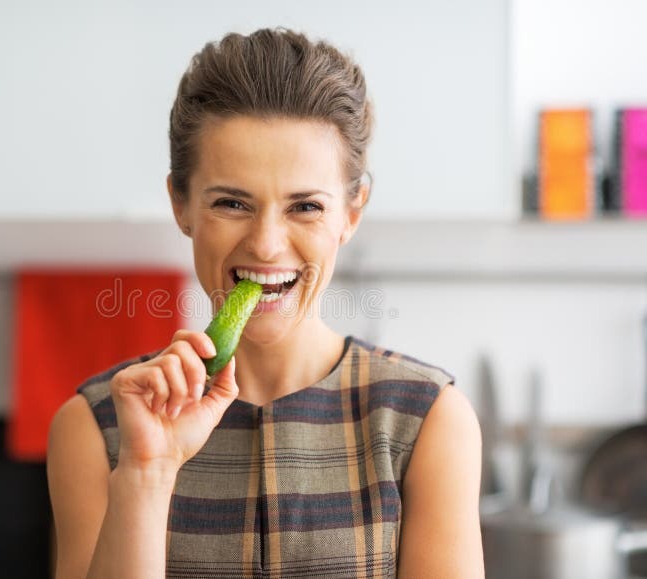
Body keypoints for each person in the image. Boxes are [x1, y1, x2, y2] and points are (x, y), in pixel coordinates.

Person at [47, 28, 484, 579]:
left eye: (305, 206)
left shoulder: (427, 423)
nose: (266, 244)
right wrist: (146, 474)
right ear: (180, 205)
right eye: (232, 202)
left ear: (351, 213)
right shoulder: (96, 427)